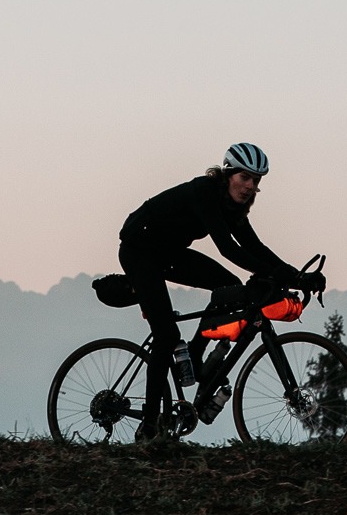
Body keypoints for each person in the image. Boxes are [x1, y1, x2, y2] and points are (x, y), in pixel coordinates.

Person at [118, 143, 326, 438]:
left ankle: (195, 353)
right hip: (139, 251)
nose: (250, 186)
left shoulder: (233, 206)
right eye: (245, 178)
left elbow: (255, 247)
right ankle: (149, 426)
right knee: (166, 336)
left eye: (256, 181)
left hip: (168, 253)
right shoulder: (205, 192)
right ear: (228, 174)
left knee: (229, 288)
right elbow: (228, 249)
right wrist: (279, 274)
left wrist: (298, 277)